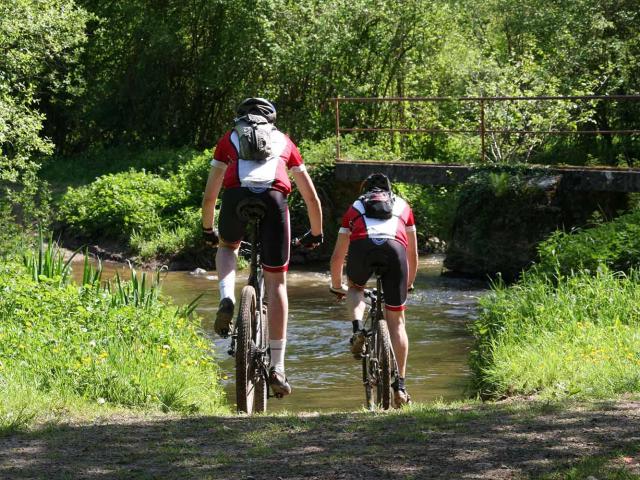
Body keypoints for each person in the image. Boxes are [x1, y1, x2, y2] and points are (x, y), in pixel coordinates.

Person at [201, 97, 323, 397]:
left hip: (236, 197)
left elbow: (209, 195)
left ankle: (227, 298)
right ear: (272, 120)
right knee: (277, 281)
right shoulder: (284, 141)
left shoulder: (228, 139)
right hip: (274, 200)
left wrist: (207, 229)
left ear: (240, 118)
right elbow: (311, 198)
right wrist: (316, 234)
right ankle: (278, 367)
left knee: (228, 246)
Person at [329, 173, 418, 406]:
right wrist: (408, 283)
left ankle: (358, 328)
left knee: (356, 287)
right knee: (397, 322)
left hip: (363, 249)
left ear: (365, 191)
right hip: (394, 250)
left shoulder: (356, 207)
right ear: (390, 190)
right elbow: (413, 255)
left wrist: (338, 286)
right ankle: (400, 386)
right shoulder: (403, 206)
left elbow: (338, 256)